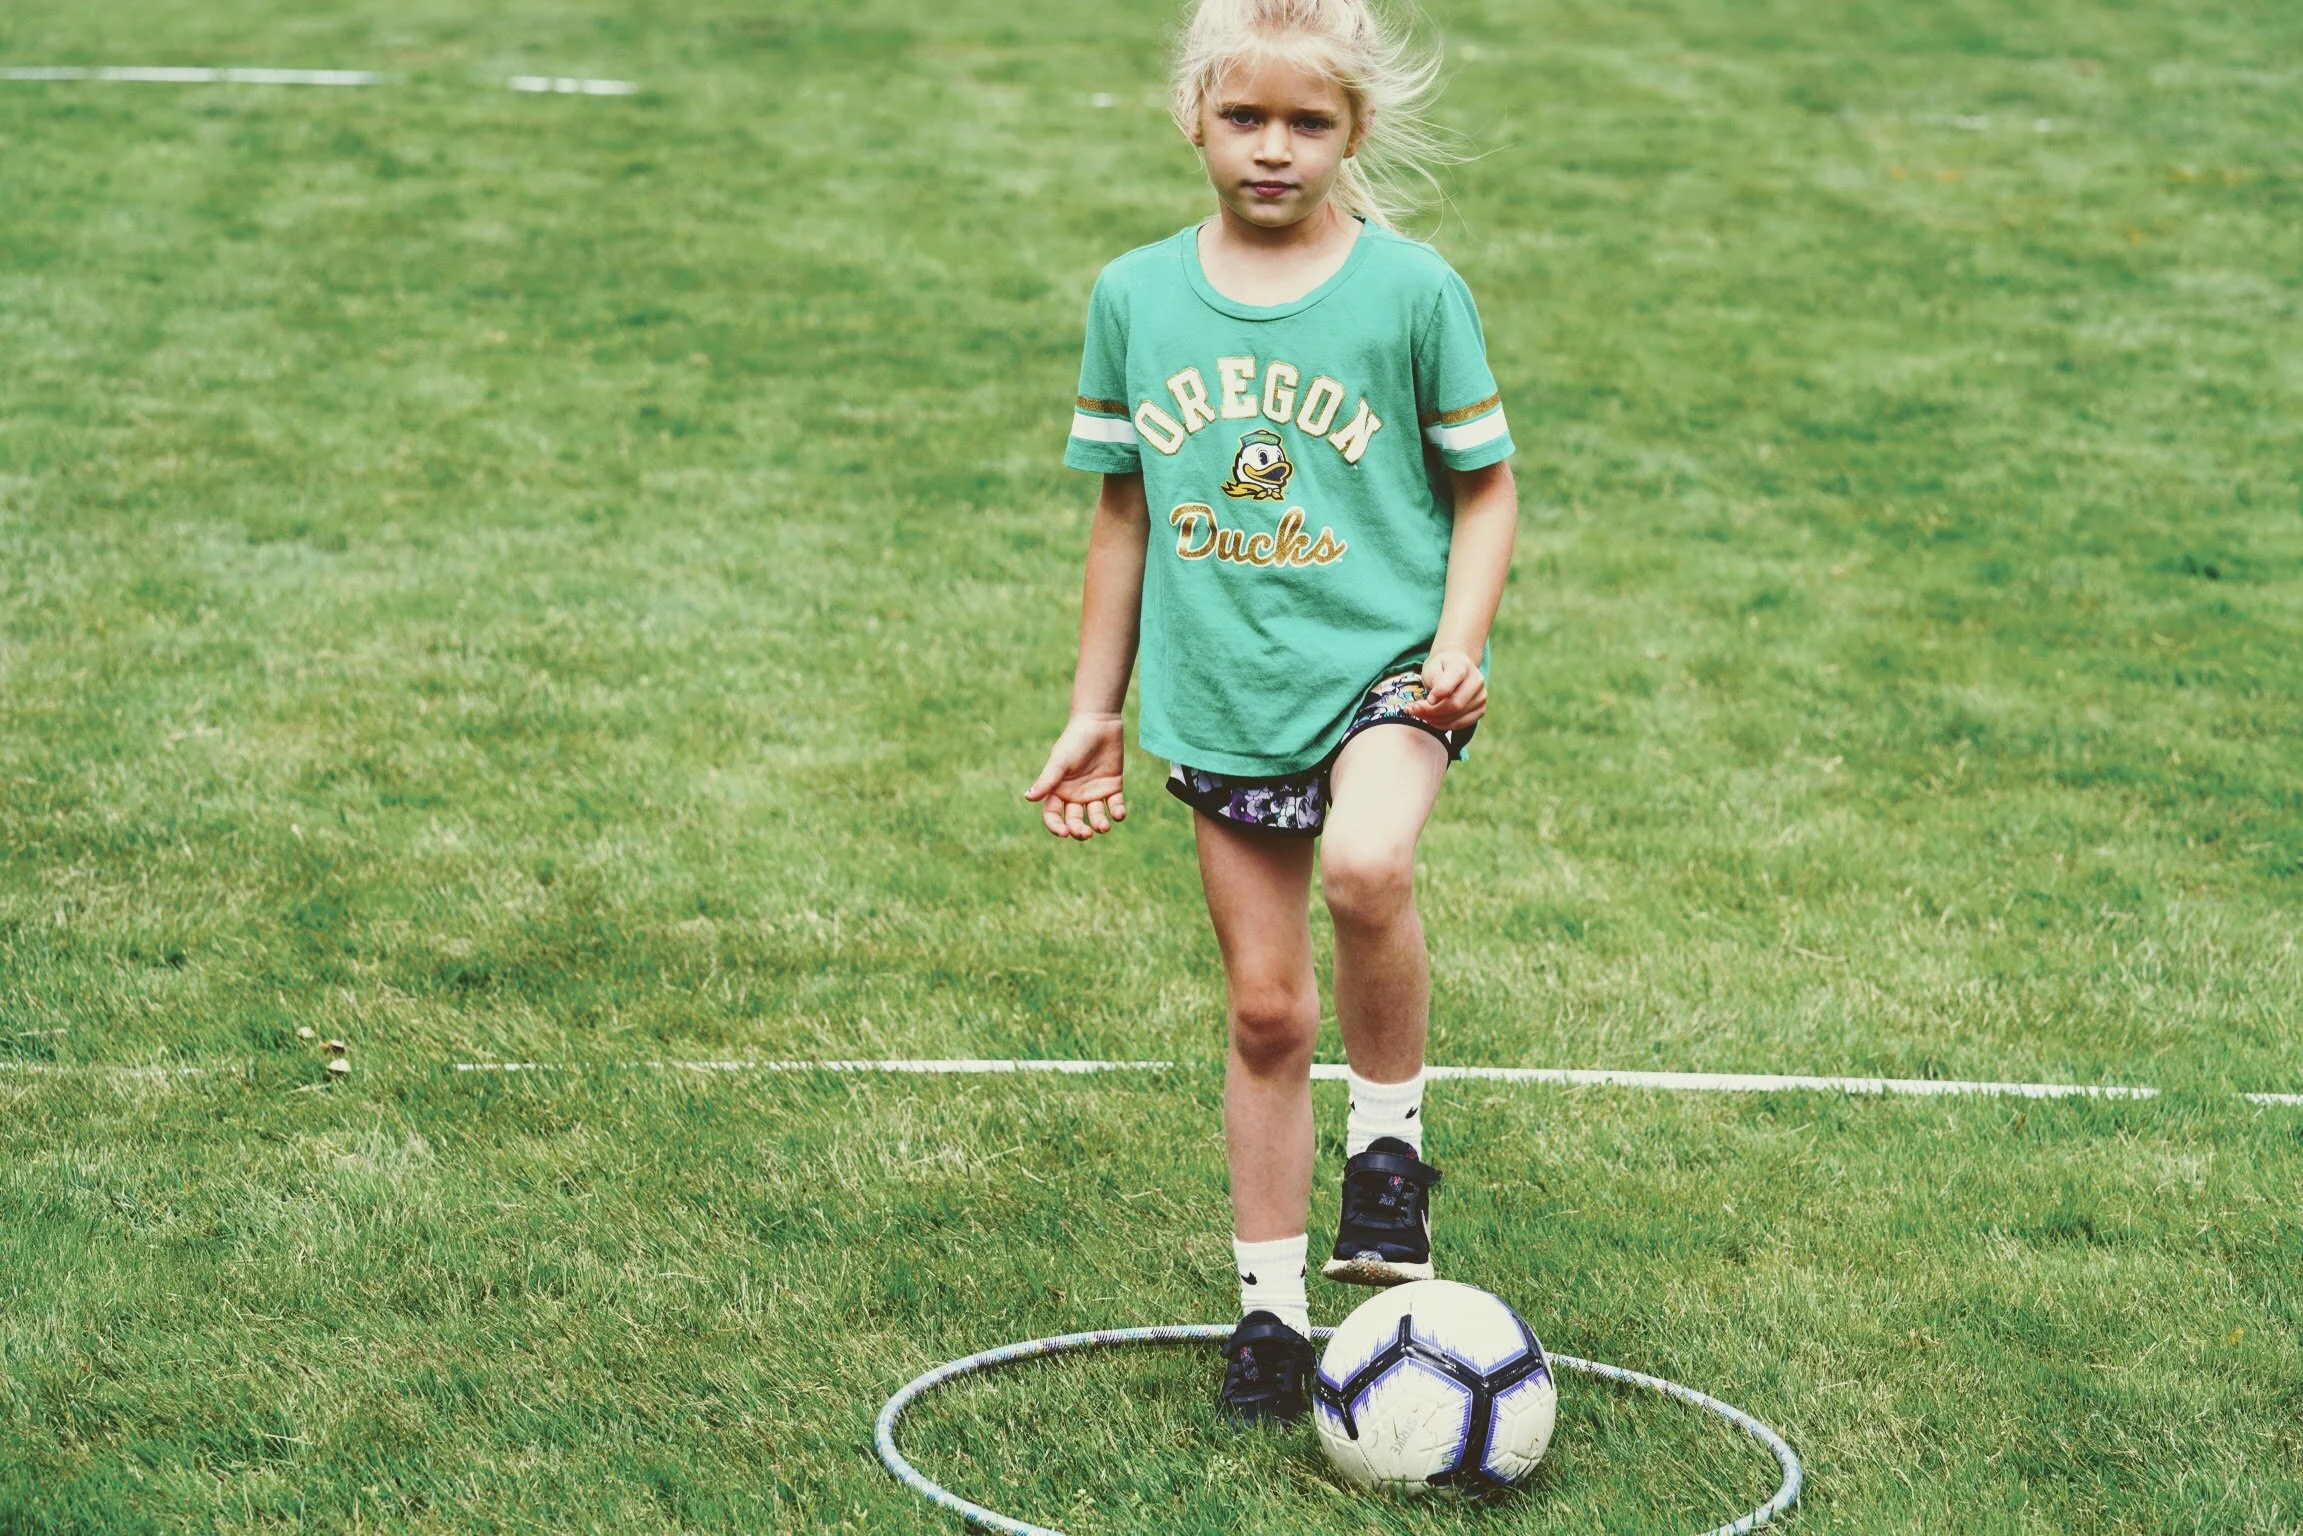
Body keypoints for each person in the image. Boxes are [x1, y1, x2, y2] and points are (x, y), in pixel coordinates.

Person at [1024, 0, 1518, 1426]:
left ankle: (1389, 1149)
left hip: (1386, 670)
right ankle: (1270, 1316)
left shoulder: (1411, 290)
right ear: (1195, 116)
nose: (1272, 148)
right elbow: (1123, 517)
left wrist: (1457, 646)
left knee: (1365, 864)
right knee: (1262, 1010)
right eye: (1244, 116)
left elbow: (1486, 488)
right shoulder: (1135, 296)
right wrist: (1095, 712)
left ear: (1353, 132)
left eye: (1308, 122)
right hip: (1223, 694)